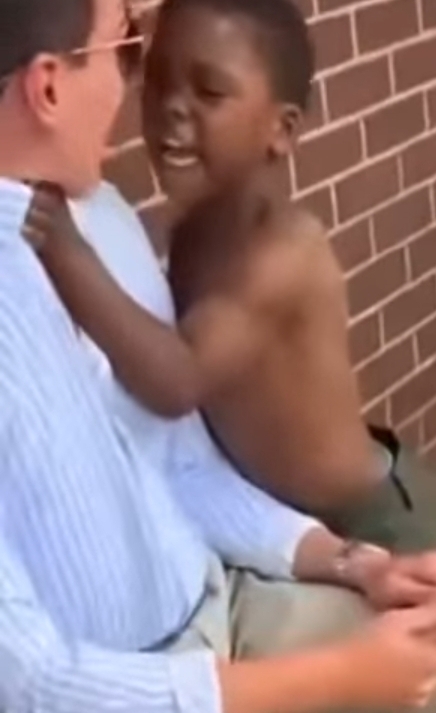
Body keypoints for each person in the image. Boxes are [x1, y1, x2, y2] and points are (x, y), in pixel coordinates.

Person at [6, 2, 436, 713]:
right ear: (47, 87)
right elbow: (33, 679)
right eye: (144, 66)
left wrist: (65, 251)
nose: (163, 106)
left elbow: (174, 406)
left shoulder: (267, 247)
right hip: (207, 610)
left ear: (281, 129)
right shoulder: (178, 228)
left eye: (207, 90)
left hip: (362, 512)